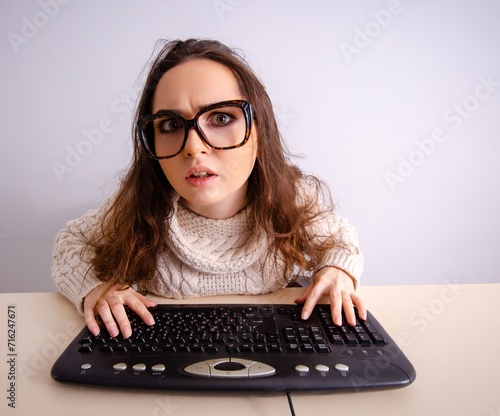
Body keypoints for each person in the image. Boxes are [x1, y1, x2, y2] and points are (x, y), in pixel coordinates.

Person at [52, 38, 365, 339]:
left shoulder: (290, 198)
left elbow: (340, 240)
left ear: (259, 128)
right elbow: (69, 243)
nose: (193, 147)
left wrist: (337, 270)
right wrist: (94, 285)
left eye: (221, 117)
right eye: (171, 125)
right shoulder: (140, 203)